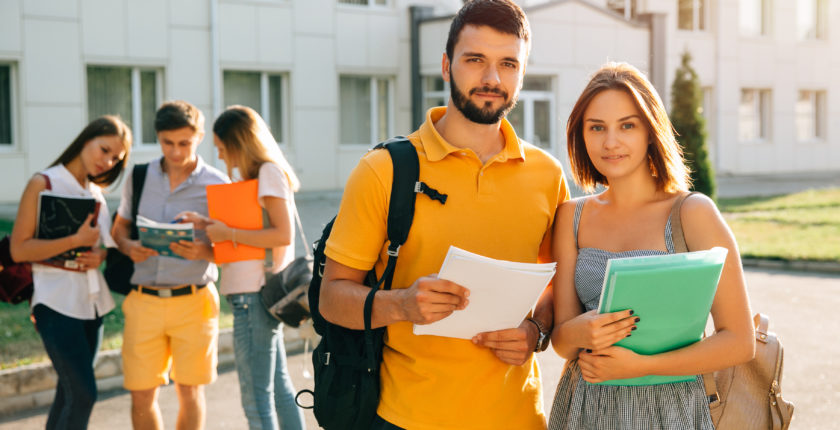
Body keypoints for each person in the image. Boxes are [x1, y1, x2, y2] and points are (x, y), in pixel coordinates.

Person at [319, 1, 570, 429]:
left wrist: (535, 333)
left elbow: (550, 292)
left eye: (508, 63)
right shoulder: (383, 170)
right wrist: (399, 304)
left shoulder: (547, 176)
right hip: (407, 418)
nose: (491, 79)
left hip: (519, 418)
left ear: (522, 74)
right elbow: (332, 299)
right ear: (446, 65)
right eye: (475, 60)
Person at [547, 62, 755, 429]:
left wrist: (643, 366)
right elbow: (563, 340)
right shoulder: (571, 217)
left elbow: (739, 341)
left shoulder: (693, 213)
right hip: (585, 406)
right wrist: (582, 331)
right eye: (597, 128)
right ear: (581, 135)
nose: (610, 142)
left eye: (627, 125)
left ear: (650, 132)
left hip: (670, 409)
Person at [176, 105, 306, 430]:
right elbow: (253, 235)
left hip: (253, 296)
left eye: (222, 149)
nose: (221, 158)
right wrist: (209, 226)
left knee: (255, 398)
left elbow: (281, 234)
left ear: (238, 143)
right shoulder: (259, 177)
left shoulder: (268, 173)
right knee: (276, 390)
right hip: (254, 293)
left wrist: (227, 233)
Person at [10, 116, 132, 429]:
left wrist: (99, 255)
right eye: (104, 150)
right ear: (85, 140)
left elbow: (100, 247)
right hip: (55, 302)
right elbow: (19, 250)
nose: (107, 162)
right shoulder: (44, 183)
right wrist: (75, 240)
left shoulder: (96, 193)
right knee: (83, 394)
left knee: (69, 394)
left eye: (115, 158)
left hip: (92, 306)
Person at [112, 101, 228, 430]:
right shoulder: (138, 176)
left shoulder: (218, 182)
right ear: (158, 138)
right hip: (144, 300)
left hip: (195, 301)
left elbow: (234, 250)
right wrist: (128, 245)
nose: (175, 152)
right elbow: (119, 228)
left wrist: (204, 251)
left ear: (200, 137)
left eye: (184, 143)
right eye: (167, 143)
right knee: (140, 395)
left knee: (190, 391)